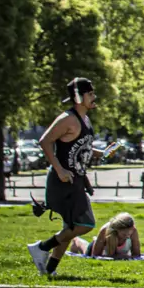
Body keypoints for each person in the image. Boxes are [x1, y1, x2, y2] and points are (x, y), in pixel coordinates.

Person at [27, 78, 104, 276]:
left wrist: (98, 153)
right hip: (63, 181)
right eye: (90, 94)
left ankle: (48, 269)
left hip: (76, 180)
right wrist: (60, 170)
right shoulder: (68, 119)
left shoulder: (85, 119)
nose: (94, 97)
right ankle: (42, 248)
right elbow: (45, 141)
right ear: (79, 97)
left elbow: (78, 145)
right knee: (85, 224)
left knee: (69, 228)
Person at [72, 212, 141, 259]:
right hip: (96, 248)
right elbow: (95, 255)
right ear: (117, 229)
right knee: (85, 250)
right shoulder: (105, 230)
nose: (127, 236)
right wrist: (117, 256)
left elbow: (137, 254)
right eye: (124, 234)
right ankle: (77, 241)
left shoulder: (133, 230)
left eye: (129, 234)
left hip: (114, 253)